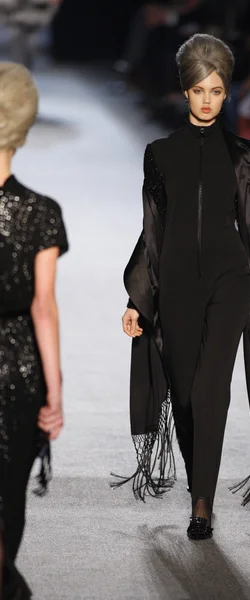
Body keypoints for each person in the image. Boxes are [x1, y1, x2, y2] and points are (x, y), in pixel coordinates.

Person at [116, 33, 250, 541]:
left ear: (226, 95)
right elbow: (152, 227)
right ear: (185, 91)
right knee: (182, 393)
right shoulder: (158, 154)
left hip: (230, 280)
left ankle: (202, 500)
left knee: (209, 387)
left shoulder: (246, 156)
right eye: (199, 90)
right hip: (176, 282)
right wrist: (138, 296)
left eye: (217, 91)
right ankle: (199, 480)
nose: (207, 99)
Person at [0, 62, 68, 598]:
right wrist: (56, 391)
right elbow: (43, 307)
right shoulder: (40, 212)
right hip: (17, 366)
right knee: (8, 490)